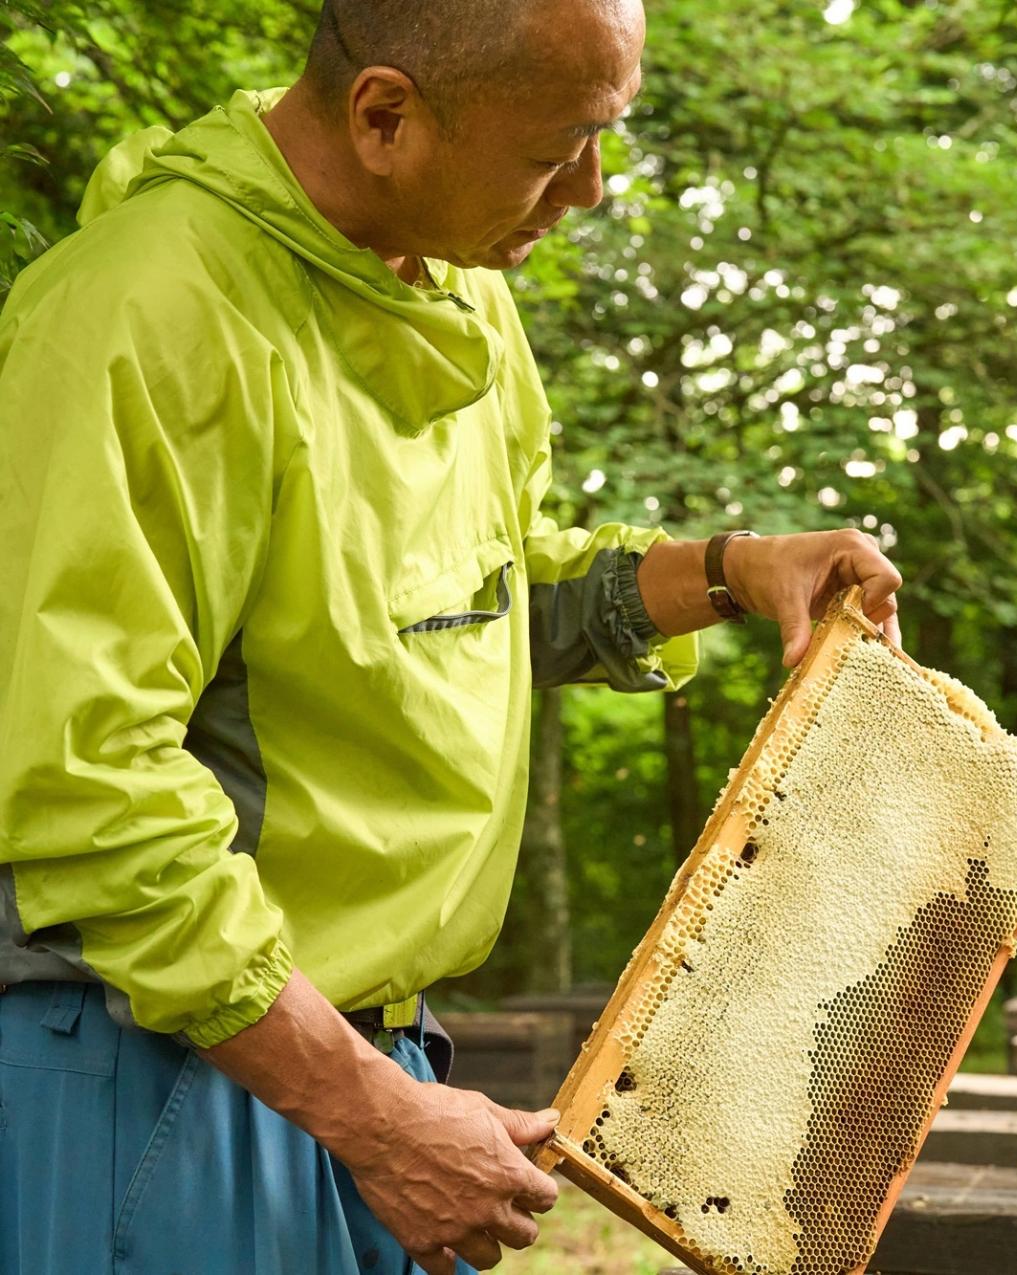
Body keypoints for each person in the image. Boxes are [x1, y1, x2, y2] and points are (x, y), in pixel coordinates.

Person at [0, 0, 902, 1271]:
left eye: (606, 138)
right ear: (384, 116)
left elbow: (477, 599)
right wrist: (370, 1117)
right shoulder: (137, 316)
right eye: (557, 150)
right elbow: (89, 792)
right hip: (160, 1067)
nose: (590, 191)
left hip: (375, 1070)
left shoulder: (462, 288)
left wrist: (729, 572)